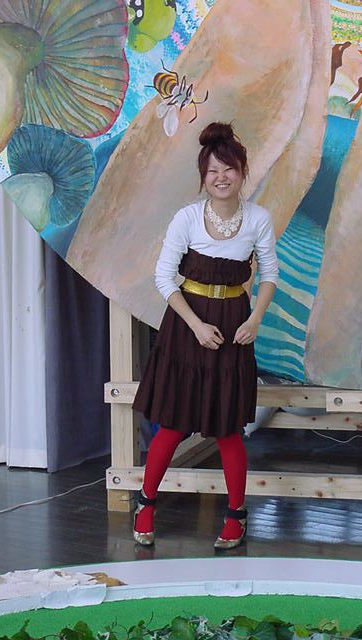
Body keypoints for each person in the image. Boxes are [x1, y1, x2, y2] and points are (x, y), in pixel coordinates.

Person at [132, 122, 278, 549]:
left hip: (234, 327)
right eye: (213, 170)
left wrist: (255, 321)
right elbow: (164, 278)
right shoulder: (187, 218)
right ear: (203, 176)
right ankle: (146, 505)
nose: (221, 177)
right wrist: (196, 325)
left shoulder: (258, 219)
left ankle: (236, 516)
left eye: (228, 169)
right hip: (186, 327)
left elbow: (269, 276)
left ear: (242, 172)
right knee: (172, 425)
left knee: (228, 429)